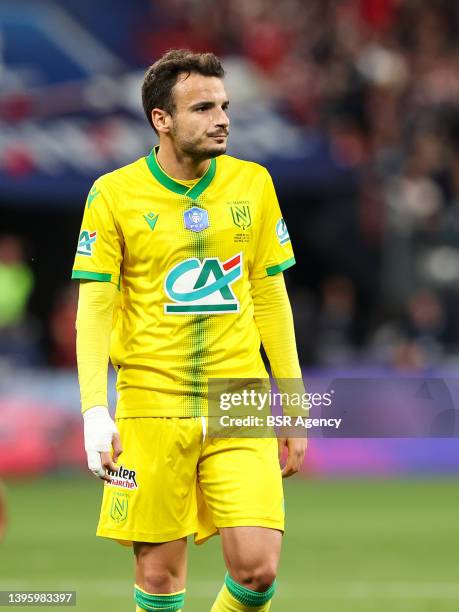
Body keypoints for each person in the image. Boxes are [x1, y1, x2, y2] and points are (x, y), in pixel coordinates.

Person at [73, 49, 306, 612]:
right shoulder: (113, 195)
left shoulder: (253, 183)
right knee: (158, 580)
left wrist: (292, 404)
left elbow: (271, 297)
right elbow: (95, 307)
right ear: (162, 119)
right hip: (150, 401)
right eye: (202, 108)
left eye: (224, 106)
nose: (221, 118)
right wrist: (92, 410)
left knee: (257, 571)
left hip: (239, 397)